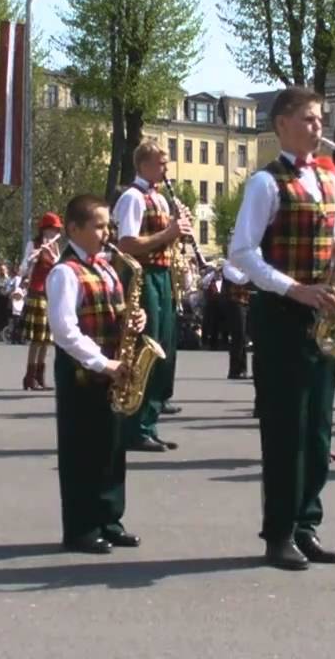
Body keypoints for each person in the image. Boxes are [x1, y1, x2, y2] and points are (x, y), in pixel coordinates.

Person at [229, 85, 335, 571]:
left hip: (321, 311)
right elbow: (242, 254)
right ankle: (280, 531)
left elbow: (330, 245)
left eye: (320, 118)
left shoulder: (328, 183)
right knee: (287, 428)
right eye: (309, 119)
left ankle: (307, 523)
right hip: (283, 313)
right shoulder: (266, 183)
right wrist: (294, 289)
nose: (318, 127)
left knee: (319, 430)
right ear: (282, 124)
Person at [46, 194, 143, 554]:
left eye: (107, 225)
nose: (107, 233)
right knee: (81, 452)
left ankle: (109, 519)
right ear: (74, 229)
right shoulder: (64, 272)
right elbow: (64, 330)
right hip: (83, 374)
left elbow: (117, 310)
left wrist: (134, 320)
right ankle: (81, 528)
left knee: (111, 449)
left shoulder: (105, 266)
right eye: (99, 226)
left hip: (111, 372)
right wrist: (104, 363)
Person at [113, 141, 193, 452]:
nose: (166, 170)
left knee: (165, 353)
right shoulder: (133, 198)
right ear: (143, 165)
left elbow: (165, 241)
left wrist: (177, 235)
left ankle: (150, 421)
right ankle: (134, 427)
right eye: (161, 164)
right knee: (148, 347)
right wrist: (168, 233)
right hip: (143, 278)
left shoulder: (158, 197)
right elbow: (127, 244)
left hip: (163, 278)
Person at [19, 212, 63, 390]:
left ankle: (40, 376)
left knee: (47, 339)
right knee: (37, 339)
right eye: (51, 229)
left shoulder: (56, 247)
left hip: (51, 293)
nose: (53, 233)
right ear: (44, 229)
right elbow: (22, 270)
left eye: (56, 229)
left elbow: (61, 268)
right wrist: (32, 260)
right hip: (36, 293)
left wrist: (52, 255)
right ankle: (29, 377)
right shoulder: (33, 244)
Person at [222, 259, 252, 380]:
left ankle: (242, 369)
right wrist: (254, 273)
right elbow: (241, 279)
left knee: (243, 337)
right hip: (234, 303)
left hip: (245, 303)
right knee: (238, 336)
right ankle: (235, 370)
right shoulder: (228, 266)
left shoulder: (245, 265)